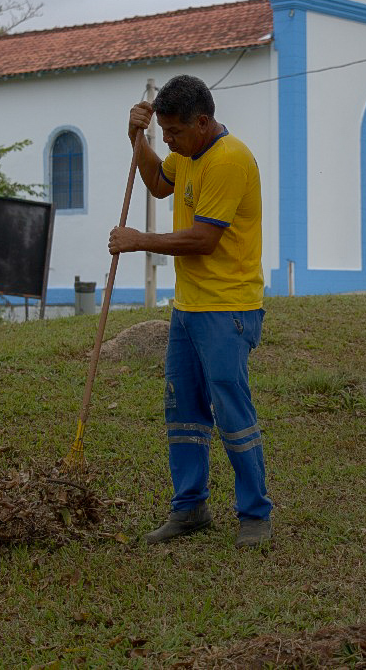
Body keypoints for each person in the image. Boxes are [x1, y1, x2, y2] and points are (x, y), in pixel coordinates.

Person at [108, 74, 272, 549]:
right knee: (183, 409)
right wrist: (137, 139)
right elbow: (159, 182)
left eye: (174, 132)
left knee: (231, 410)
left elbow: (203, 240)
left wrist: (140, 241)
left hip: (228, 308)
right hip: (189, 307)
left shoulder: (228, 160)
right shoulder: (190, 153)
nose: (170, 142)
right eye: (164, 133)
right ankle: (190, 508)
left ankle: (255, 513)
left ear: (202, 121)